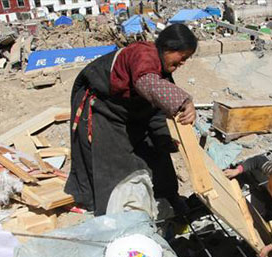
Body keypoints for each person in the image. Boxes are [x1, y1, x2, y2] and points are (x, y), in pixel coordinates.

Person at [65, 24, 197, 215]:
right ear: (168, 47)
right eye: (182, 56)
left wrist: (163, 139)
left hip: (131, 114)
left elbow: (156, 109)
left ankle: (169, 198)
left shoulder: (163, 70)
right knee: (116, 169)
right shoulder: (142, 54)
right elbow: (147, 83)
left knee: (157, 155)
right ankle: (118, 218)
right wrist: (183, 101)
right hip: (104, 110)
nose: (183, 62)